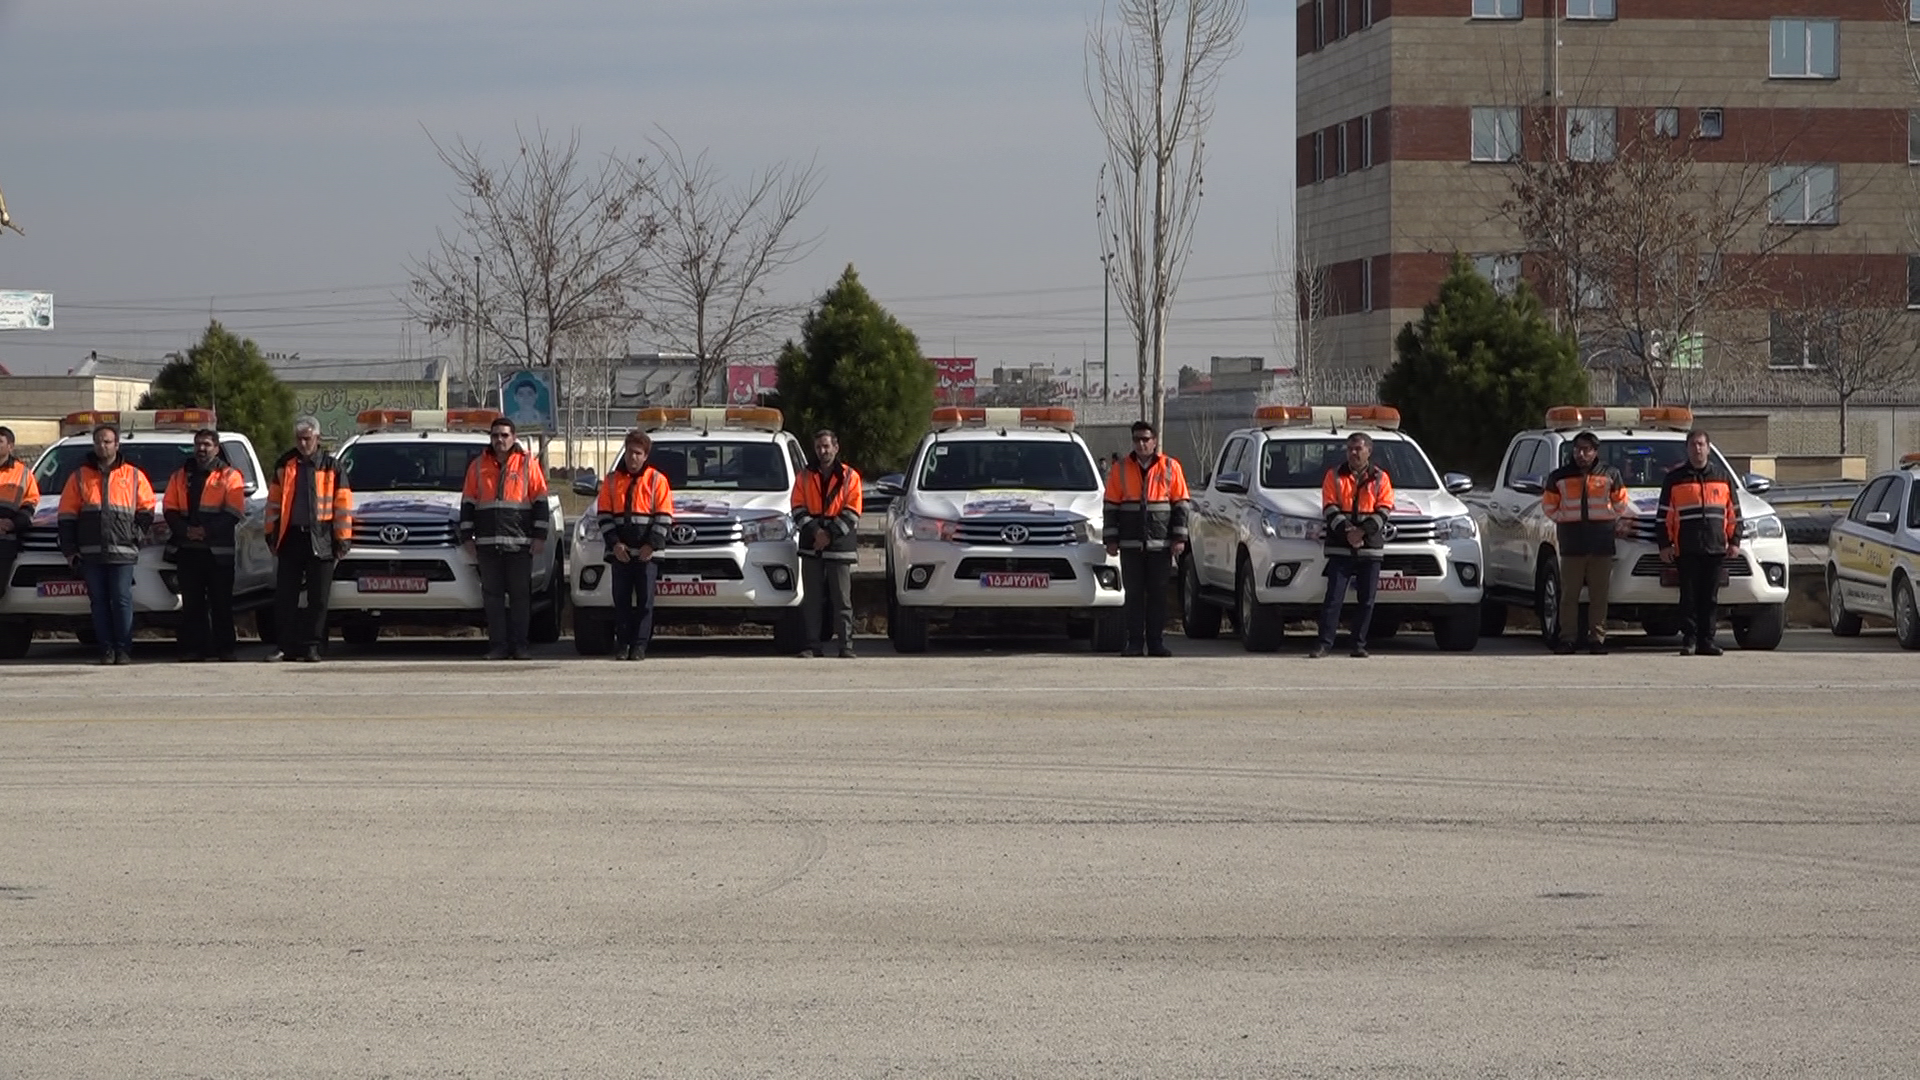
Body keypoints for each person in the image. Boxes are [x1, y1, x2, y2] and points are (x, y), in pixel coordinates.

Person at [57, 423, 155, 664]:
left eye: (108, 441)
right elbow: (67, 515)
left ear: (117, 445)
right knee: (99, 603)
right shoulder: (79, 476)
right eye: (99, 441)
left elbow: (147, 509)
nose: (103, 445)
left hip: (123, 551)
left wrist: (135, 534)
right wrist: (70, 551)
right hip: (90, 553)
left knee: (121, 600)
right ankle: (106, 650)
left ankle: (123, 649)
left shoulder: (133, 475)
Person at [460, 416, 550, 660]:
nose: (499, 440)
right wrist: (467, 537)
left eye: (504, 435)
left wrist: (540, 536)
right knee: (493, 599)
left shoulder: (527, 464)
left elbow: (541, 502)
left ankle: (520, 646)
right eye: (495, 435)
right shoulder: (478, 465)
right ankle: (498, 646)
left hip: (520, 544)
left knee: (521, 598)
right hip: (487, 545)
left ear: (514, 438)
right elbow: (467, 503)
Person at [264, 416, 353, 663]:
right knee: (285, 596)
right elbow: (273, 504)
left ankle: (314, 646)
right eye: (299, 439)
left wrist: (343, 539)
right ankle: (285, 646)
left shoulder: (332, 467)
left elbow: (343, 506)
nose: (303, 443)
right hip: (290, 538)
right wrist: (270, 534)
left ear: (318, 439)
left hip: (322, 539)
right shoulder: (284, 464)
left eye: (308, 438)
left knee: (319, 598)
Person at [1103, 420, 1190, 657]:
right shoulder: (1120, 468)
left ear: (1154, 441)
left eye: (1145, 439)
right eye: (1137, 439)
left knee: (1158, 596)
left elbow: (1181, 504)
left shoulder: (1170, 467)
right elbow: (1111, 505)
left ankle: (1155, 643)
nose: (1141, 444)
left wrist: (1179, 538)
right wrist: (1111, 539)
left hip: (1160, 545)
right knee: (1132, 595)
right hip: (1130, 545)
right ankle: (1134, 643)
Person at [1542, 431, 1631, 655]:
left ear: (1595, 452)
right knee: (1569, 595)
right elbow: (1549, 505)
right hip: (1571, 543)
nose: (1581, 454)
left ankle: (1597, 639)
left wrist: (1609, 518)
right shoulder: (1559, 476)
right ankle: (1567, 639)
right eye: (1577, 449)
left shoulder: (1611, 474)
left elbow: (1621, 502)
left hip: (1601, 542)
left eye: (1586, 450)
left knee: (1599, 595)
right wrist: (1564, 518)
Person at [163, 428, 246, 662]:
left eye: (207, 444)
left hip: (219, 552)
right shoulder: (179, 475)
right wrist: (186, 530)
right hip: (188, 551)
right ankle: (194, 649)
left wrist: (205, 531)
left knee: (222, 603)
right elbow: (169, 508)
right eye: (198, 444)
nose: (202, 449)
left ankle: (225, 649)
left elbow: (234, 511)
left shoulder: (230, 475)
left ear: (217, 448)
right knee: (192, 605)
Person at [1658, 428, 1741, 657]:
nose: (1697, 449)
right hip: (1687, 548)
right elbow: (1663, 515)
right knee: (1689, 598)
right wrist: (1665, 544)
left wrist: (1734, 541)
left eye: (1701, 444)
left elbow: (1734, 513)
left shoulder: (1722, 478)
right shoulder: (1675, 479)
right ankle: (1690, 640)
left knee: (1711, 598)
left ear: (1708, 448)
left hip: (1715, 547)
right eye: (1693, 444)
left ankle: (1707, 641)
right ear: (1687, 449)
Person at [1311, 431, 1394, 659]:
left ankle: (1358, 644)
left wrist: (1362, 532)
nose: (1353, 453)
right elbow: (1329, 507)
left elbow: (1384, 509)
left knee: (1366, 600)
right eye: (1350, 449)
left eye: (1358, 448)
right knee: (1333, 598)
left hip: (1370, 547)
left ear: (1369, 450)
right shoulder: (1334, 475)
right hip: (1340, 546)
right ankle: (1324, 644)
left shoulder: (1381, 478)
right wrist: (1348, 531)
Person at [598, 429, 674, 661]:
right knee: (620, 602)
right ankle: (622, 645)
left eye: (638, 453)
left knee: (645, 603)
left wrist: (651, 546)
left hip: (646, 555)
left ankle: (639, 646)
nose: (633, 458)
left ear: (645, 455)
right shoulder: (611, 481)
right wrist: (615, 544)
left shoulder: (657, 480)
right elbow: (604, 516)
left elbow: (664, 517)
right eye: (630, 452)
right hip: (620, 552)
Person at [792, 429, 863, 658]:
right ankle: (813, 646)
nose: (823, 451)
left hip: (840, 544)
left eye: (826, 446)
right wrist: (815, 532)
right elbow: (797, 508)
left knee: (842, 599)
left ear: (836, 447)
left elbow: (853, 511)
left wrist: (828, 535)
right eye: (819, 447)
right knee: (811, 600)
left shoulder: (851, 476)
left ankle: (846, 646)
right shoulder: (803, 476)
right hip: (811, 543)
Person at [0, 426, 40, 602]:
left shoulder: (23, 474)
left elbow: (30, 503)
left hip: (6, 542)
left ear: (11, 446)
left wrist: (13, 524)